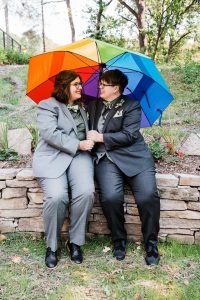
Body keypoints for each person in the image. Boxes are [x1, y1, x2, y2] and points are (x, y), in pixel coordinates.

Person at [87, 69, 160, 265]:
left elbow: (130, 135)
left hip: (135, 158)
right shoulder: (92, 105)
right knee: (110, 197)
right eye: (100, 83)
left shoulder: (131, 105)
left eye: (104, 83)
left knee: (148, 196)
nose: (100, 86)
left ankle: (151, 243)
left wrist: (100, 137)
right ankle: (119, 240)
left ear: (116, 88)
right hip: (106, 159)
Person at [32, 70, 95, 268]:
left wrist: (93, 136)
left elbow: (88, 130)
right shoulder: (47, 105)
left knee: (86, 193)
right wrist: (78, 144)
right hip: (53, 156)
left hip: (79, 157)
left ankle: (75, 242)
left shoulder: (83, 107)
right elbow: (50, 133)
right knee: (57, 196)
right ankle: (52, 246)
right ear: (64, 85)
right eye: (75, 84)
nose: (80, 87)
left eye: (81, 84)